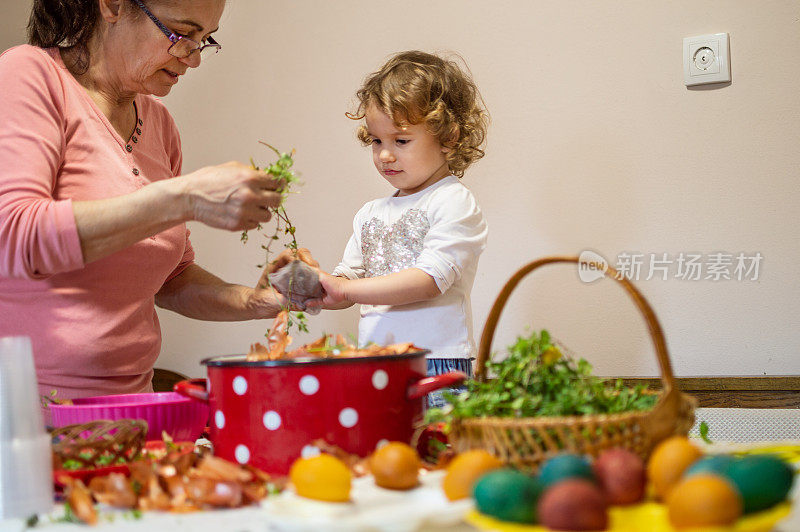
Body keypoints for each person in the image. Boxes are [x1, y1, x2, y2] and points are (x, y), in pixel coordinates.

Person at [0, 0, 314, 402]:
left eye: (205, 39)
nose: (194, 58)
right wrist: (182, 198)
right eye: (181, 34)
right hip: (32, 412)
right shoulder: (30, 74)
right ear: (112, 6)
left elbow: (170, 279)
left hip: (135, 406)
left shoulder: (159, 123)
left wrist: (253, 301)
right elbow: (17, 237)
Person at [318, 50, 489, 407]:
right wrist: (314, 285)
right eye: (377, 141)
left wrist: (346, 291)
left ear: (449, 137)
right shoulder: (370, 212)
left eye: (401, 140)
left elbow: (428, 281)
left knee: (438, 450)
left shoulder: (452, 201)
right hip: (376, 360)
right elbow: (346, 282)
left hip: (437, 361)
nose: (384, 155)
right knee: (386, 453)